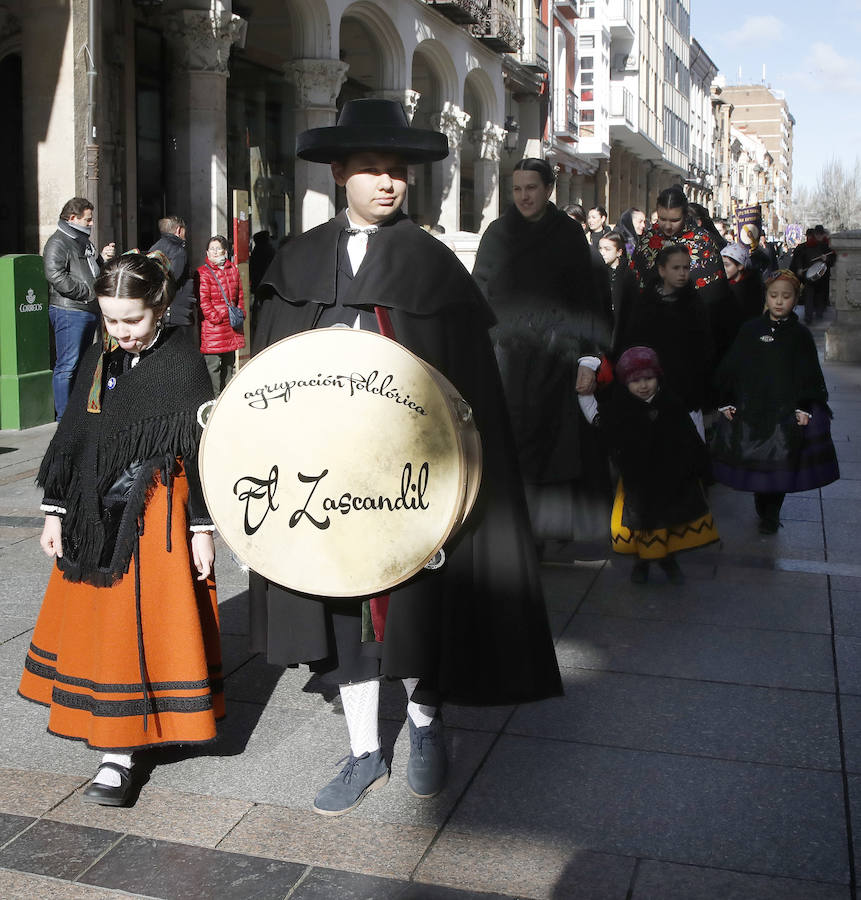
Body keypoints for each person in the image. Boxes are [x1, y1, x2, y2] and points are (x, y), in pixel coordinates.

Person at [250, 99, 562, 817]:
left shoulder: (431, 267)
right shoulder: (294, 262)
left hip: (411, 485)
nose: (387, 182)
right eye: (371, 170)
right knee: (341, 618)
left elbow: (468, 392)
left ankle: (424, 729)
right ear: (339, 174)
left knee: (415, 611)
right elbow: (264, 384)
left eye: (397, 171)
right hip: (318, 484)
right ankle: (363, 750)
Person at [18, 252, 222, 806]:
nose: (121, 331)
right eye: (110, 319)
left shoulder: (184, 361)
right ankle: (117, 738)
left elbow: (201, 451)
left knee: (147, 627)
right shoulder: (100, 353)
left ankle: (124, 748)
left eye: (132, 319)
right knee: (106, 630)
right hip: (91, 510)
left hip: (154, 513)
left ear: (159, 306)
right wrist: (55, 512)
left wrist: (202, 529)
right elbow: (73, 436)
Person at [474, 159, 614, 558]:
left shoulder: (569, 236)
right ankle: (514, 529)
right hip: (506, 361)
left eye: (531, 188)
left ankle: (545, 531)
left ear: (549, 188)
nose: (524, 196)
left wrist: (589, 359)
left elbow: (591, 301)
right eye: (517, 189)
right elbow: (478, 296)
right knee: (509, 445)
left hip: (556, 360)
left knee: (554, 447)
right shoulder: (497, 235)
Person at [711, 270, 840, 533]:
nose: (779, 301)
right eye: (774, 296)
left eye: (786, 296)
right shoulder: (750, 329)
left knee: (782, 463)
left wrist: (805, 404)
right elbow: (732, 366)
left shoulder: (800, 335)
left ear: (796, 299)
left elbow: (809, 373)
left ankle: (772, 513)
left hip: (785, 409)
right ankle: (762, 503)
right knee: (759, 464)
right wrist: (726, 399)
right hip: (753, 408)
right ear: (766, 297)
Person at [581, 346, 717, 584]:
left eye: (648, 379)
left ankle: (667, 560)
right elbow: (605, 429)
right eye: (635, 381)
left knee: (668, 524)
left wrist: (702, 466)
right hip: (637, 479)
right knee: (642, 525)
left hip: (670, 475)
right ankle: (642, 563)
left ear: (658, 377)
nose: (643, 386)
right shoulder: (620, 406)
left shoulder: (670, 402)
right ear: (625, 383)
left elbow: (689, 435)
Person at [621, 243, 713, 439]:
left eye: (686, 268)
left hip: (686, 393)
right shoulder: (646, 304)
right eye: (676, 268)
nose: (682, 273)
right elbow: (633, 344)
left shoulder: (694, 304)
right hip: (650, 393)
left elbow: (704, 348)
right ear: (662, 270)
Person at [43, 197, 116, 420]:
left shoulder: (80, 241)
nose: (91, 223)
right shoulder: (59, 241)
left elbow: (90, 270)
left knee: (82, 363)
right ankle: (65, 416)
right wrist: (85, 293)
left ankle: (77, 410)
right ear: (72, 218)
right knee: (68, 364)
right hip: (69, 310)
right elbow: (55, 274)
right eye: (88, 219)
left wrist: (102, 259)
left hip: (86, 309)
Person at [197, 235, 246, 394]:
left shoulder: (233, 270)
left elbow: (239, 295)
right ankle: (214, 399)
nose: (215, 252)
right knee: (214, 366)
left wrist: (241, 312)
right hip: (214, 328)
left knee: (228, 364)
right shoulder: (203, 273)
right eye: (212, 249)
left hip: (231, 326)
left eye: (218, 248)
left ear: (225, 250)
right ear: (207, 252)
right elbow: (204, 300)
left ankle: (227, 397)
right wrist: (215, 317)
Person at [148, 214, 198, 343]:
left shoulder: (154, 248)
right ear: (179, 230)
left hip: (159, 308)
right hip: (176, 310)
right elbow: (174, 279)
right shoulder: (178, 251)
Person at [597, 231, 638, 357]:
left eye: (607, 249)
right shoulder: (597, 272)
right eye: (600, 248)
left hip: (623, 334)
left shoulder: (628, 275)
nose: (602, 252)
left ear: (619, 252)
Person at [721, 242, 763, 323]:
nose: (723, 268)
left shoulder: (751, 289)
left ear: (740, 266)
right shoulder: (723, 286)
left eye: (727, 265)